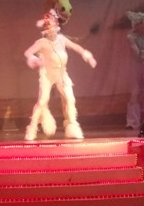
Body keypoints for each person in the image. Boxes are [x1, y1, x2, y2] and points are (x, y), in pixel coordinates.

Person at [24, 9, 97, 141]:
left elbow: (76, 47)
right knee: (42, 101)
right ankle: (32, 128)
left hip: (62, 75)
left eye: (53, 27)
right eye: (49, 28)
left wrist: (88, 56)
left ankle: (72, 126)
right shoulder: (42, 43)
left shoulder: (62, 40)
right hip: (48, 75)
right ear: (46, 30)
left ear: (56, 27)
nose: (51, 31)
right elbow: (28, 52)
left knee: (70, 99)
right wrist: (34, 60)